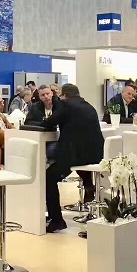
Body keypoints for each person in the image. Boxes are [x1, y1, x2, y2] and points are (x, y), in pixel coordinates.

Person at [42, 84, 103, 232]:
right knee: (67, 164)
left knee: (48, 177)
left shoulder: (65, 104)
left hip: (76, 155)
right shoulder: (89, 106)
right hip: (95, 155)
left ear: (64, 95)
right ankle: (88, 185)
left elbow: (50, 122)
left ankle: (56, 219)